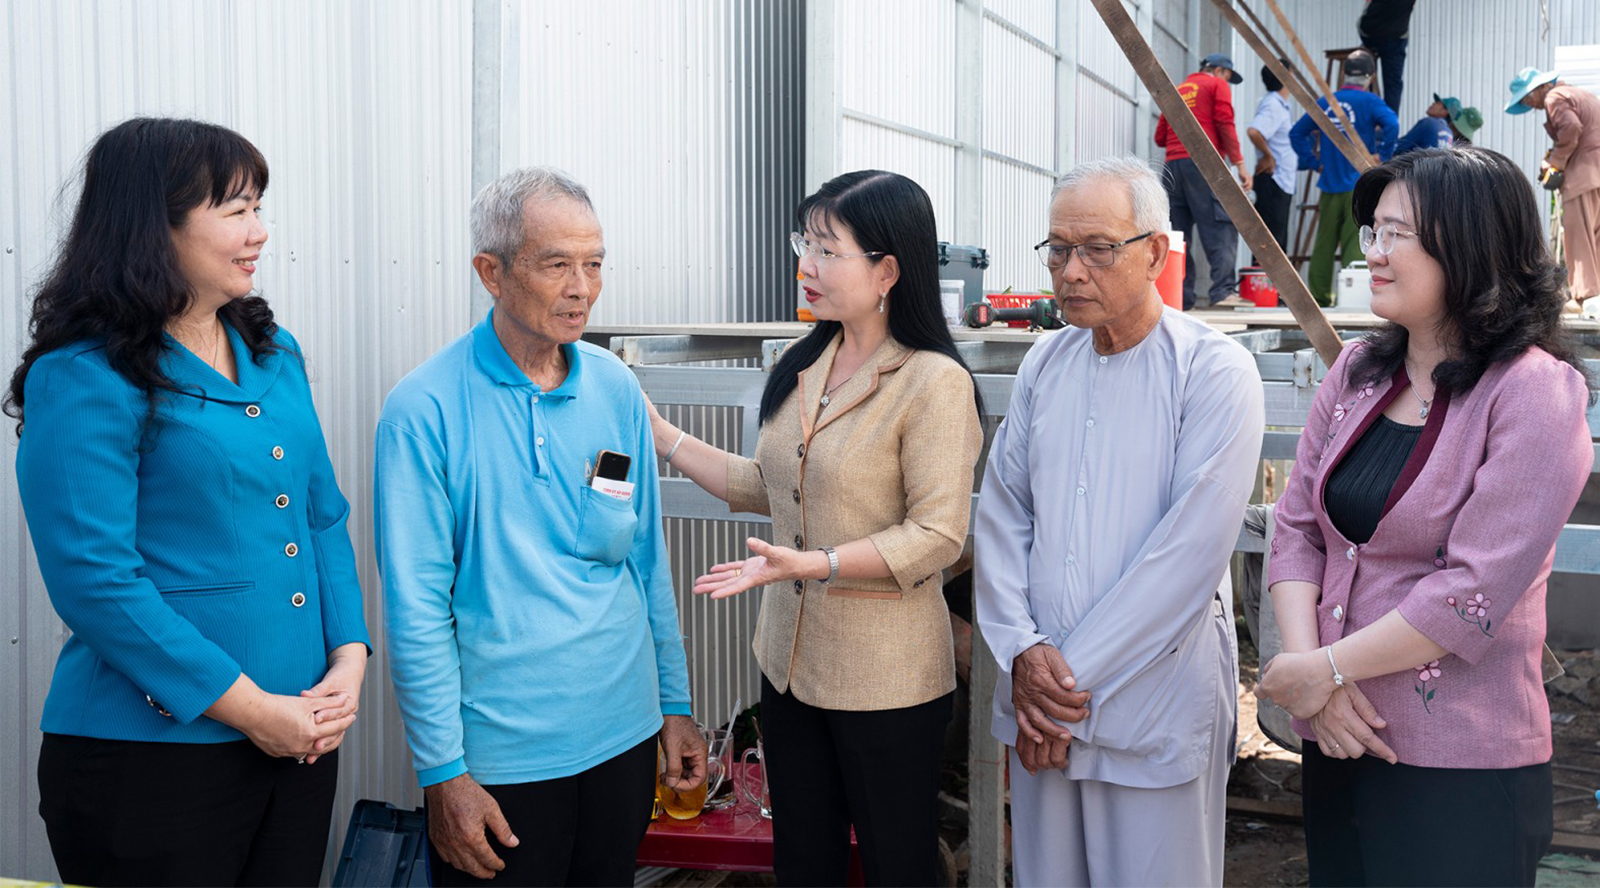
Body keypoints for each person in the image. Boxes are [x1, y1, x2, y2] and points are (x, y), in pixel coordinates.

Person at [6, 118, 370, 887]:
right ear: (153, 225)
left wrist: (349, 657)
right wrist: (254, 711)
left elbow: (322, 518)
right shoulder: (83, 373)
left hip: (298, 739)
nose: (260, 232)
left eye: (259, 208)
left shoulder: (274, 352)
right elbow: (96, 582)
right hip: (149, 761)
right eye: (236, 211)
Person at [1258, 146, 1594, 887]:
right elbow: (1299, 528)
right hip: (1338, 732)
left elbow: (1472, 590)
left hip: (1460, 766)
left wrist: (1325, 669)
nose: (1373, 253)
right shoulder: (1356, 371)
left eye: (1397, 235)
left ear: (1471, 246)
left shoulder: (1534, 393)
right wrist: (1315, 678)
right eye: (1372, 231)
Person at [645, 170, 983, 886]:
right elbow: (770, 487)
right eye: (806, 244)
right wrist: (661, 436)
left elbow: (936, 535)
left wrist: (816, 563)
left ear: (887, 271)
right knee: (803, 862)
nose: (808, 266)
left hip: (887, 683)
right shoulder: (808, 362)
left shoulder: (932, 382)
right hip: (791, 671)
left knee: (897, 867)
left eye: (829, 250)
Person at [375, 167, 704, 887]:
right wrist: (443, 772)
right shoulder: (423, 411)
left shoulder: (614, 387)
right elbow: (417, 610)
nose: (582, 288)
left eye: (595, 264)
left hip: (624, 737)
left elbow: (645, 559)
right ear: (490, 272)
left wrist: (674, 706)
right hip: (501, 762)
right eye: (557, 265)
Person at [975, 156, 1265, 887]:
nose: (1071, 271)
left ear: (1155, 253)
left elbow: (1186, 557)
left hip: (1145, 703)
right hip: (1041, 699)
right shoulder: (1046, 364)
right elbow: (1003, 515)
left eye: (1098, 249)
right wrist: (1021, 649)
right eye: (1058, 250)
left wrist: (1058, 688)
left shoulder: (1213, 371)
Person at [1292, 51, 1400, 305]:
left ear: (1344, 73)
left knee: (1324, 244)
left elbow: (1296, 133)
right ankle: (1351, 298)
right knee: (1356, 240)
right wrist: (1383, 156)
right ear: (1370, 76)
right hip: (1358, 185)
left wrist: (1314, 162)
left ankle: (1320, 297)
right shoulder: (1371, 102)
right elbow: (1392, 124)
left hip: (1329, 184)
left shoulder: (1326, 102)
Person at [1155, 52, 1253, 309]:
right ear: (1219, 71)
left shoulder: (1178, 90)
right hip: (1203, 164)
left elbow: (1160, 137)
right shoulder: (1216, 85)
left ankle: (1180, 297)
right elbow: (1225, 123)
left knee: (1178, 234)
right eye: (1228, 77)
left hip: (1172, 167)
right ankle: (1222, 292)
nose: (1227, 82)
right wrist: (1240, 164)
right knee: (1221, 226)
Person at [1507, 66, 1600, 316]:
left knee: (1578, 234)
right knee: (1596, 235)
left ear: (1538, 89)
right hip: (1597, 171)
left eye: (1526, 98)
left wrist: (1555, 163)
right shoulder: (1579, 94)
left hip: (1584, 172)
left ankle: (1585, 296)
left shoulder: (1554, 97)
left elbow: (1570, 128)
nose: (1529, 104)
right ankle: (1596, 295)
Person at [1248, 59, 1300, 256]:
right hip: (1273, 180)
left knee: (1277, 244)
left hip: (1280, 182)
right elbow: (1254, 131)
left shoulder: (1280, 105)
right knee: (1271, 246)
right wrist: (1268, 156)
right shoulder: (1273, 105)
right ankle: (1263, 278)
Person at [1358, 0, 1417, 113]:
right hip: (1395, 35)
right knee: (1393, 83)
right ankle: (1388, 119)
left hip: (1369, 32)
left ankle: (1368, 110)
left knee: (1367, 76)